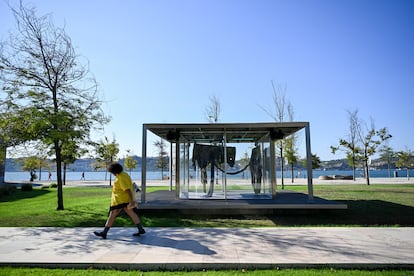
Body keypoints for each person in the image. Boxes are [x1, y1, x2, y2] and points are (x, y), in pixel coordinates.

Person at [94, 162, 145, 239]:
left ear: (114, 171)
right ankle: (140, 229)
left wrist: (132, 200)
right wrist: (131, 200)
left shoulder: (120, 177)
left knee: (112, 214)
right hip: (124, 199)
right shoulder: (124, 174)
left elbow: (127, 189)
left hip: (120, 200)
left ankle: (104, 232)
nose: (112, 174)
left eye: (112, 172)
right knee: (131, 213)